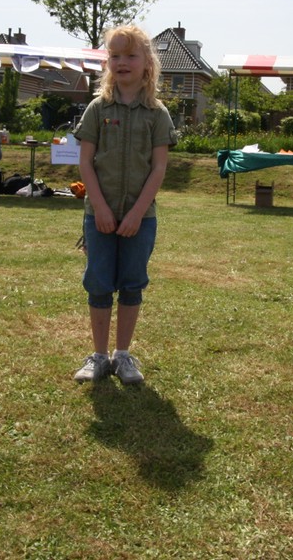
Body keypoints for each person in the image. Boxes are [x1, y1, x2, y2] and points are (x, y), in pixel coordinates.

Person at [72, 25, 175, 385]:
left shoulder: (157, 114)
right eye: (115, 55)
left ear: (148, 62)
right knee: (99, 283)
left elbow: (159, 168)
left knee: (132, 284)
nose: (122, 62)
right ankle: (99, 356)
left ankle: (122, 355)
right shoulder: (97, 109)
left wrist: (136, 213)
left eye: (131, 55)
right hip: (98, 216)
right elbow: (86, 162)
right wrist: (100, 207)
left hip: (140, 219)